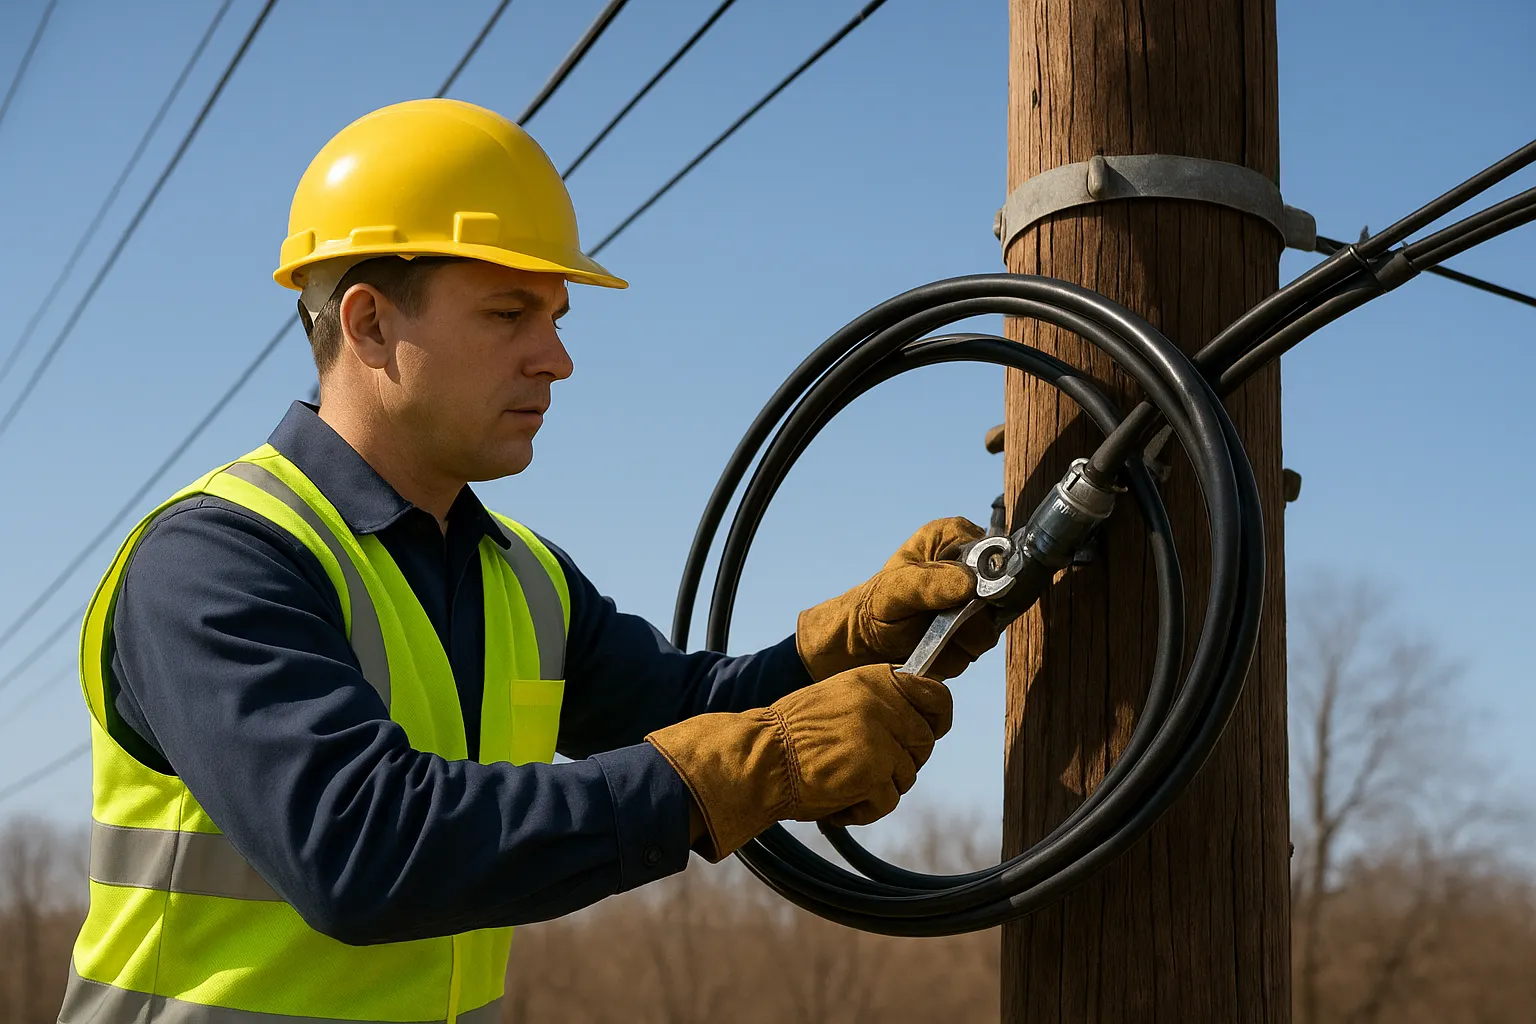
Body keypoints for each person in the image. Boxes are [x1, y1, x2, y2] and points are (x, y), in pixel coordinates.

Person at [60, 98, 1000, 1023]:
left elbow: (692, 714)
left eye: (556, 317)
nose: (556, 358)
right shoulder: (214, 562)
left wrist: (851, 643)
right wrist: (748, 766)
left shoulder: (522, 578)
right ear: (369, 323)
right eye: (509, 313)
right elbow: (361, 849)